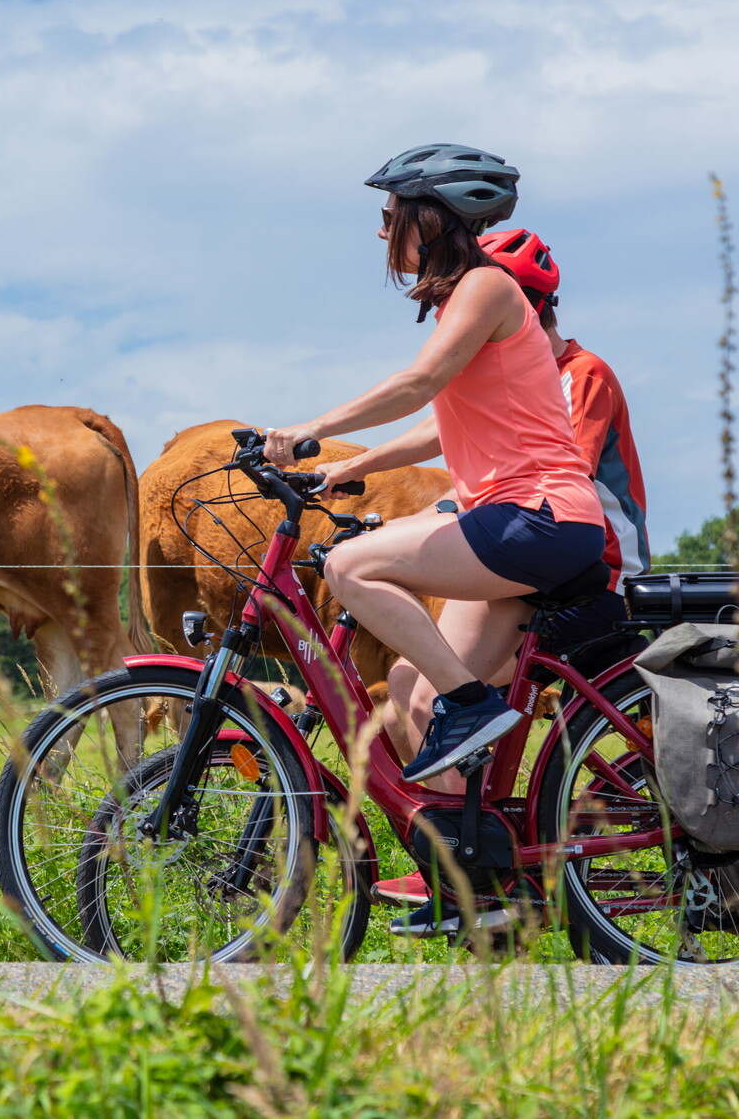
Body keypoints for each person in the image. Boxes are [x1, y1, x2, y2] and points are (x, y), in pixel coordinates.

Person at [265, 144, 607, 933]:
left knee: (351, 566)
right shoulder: (472, 299)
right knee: (415, 696)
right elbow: (438, 427)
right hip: (521, 523)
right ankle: (473, 890)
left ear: (430, 217)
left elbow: (419, 384)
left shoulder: (488, 286)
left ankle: (472, 702)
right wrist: (343, 469)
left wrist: (311, 427)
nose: (384, 231)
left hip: (538, 518)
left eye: (392, 216)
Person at [333, 226, 652, 918]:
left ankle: (492, 865)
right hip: (521, 551)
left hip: (587, 558)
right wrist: (351, 468)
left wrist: (439, 517)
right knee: (412, 687)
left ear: (533, 309)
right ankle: (465, 867)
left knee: (447, 681)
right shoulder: (495, 372)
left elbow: (548, 463)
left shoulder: (580, 374)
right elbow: (453, 434)